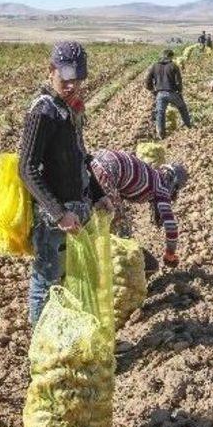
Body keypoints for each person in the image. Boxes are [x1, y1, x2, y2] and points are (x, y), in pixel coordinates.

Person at [19, 41, 112, 325]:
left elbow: (81, 158)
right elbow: (27, 167)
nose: (73, 86)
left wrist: (97, 194)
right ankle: (42, 350)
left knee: (74, 278)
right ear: (51, 71)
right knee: (46, 281)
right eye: (66, 80)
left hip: (78, 210)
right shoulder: (43, 111)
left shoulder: (69, 109)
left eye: (78, 80)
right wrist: (59, 214)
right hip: (54, 218)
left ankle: (71, 339)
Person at [91, 150, 189, 268]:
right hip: (105, 173)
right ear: (173, 184)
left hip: (94, 162)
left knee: (102, 220)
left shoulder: (152, 174)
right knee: (122, 235)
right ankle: (118, 271)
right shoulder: (161, 188)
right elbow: (172, 228)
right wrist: (170, 254)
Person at [144, 49, 192, 140]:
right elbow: (178, 82)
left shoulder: (154, 66)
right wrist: (179, 91)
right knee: (182, 107)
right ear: (170, 56)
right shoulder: (174, 66)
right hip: (172, 92)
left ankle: (161, 133)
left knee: (160, 112)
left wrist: (152, 90)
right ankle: (188, 125)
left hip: (160, 94)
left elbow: (147, 81)